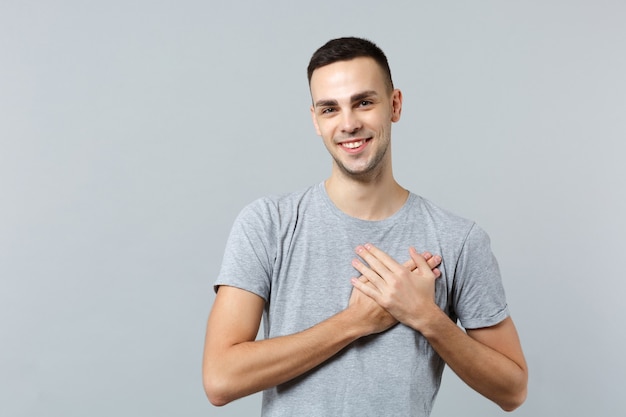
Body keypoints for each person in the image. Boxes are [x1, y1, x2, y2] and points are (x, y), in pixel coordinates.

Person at [202, 37, 528, 416]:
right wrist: (355, 322)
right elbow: (220, 379)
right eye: (330, 109)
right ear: (315, 121)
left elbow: (513, 390)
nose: (349, 123)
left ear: (395, 105)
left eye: (364, 102)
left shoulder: (458, 239)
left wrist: (427, 318)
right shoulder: (268, 224)